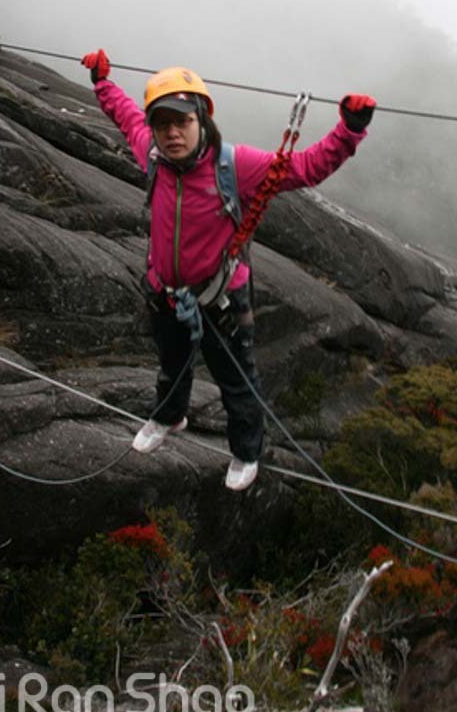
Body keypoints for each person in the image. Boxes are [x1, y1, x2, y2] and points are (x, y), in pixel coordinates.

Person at [81, 50, 376, 490]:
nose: (173, 133)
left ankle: (246, 452)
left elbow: (306, 168)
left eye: (183, 121)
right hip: (165, 290)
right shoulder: (154, 156)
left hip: (222, 296)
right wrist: (102, 82)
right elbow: (125, 115)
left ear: (203, 119)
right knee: (171, 363)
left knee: (237, 380)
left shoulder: (234, 165)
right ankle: (169, 417)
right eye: (163, 125)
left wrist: (349, 130)